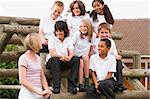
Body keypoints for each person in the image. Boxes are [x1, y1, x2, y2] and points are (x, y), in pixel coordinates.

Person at [46, 21, 80, 94]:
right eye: (57, 31)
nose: (58, 33)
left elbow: (71, 51)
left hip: (64, 61)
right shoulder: (52, 39)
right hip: (53, 61)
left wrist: (69, 57)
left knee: (76, 59)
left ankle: (72, 86)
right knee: (55, 60)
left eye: (60, 31)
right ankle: (56, 87)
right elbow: (52, 53)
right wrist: (62, 56)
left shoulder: (69, 39)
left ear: (65, 31)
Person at [18, 33, 52, 99]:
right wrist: (38, 92)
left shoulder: (38, 58)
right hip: (27, 94)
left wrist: (46, 90)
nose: (41, 42)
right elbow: (22, 80)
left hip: (38, 94)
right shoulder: (23, 58)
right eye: (39, 40)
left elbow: (42, 76)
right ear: (35, 43)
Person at [95, 22, 127, 92]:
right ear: (98, 34)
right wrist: (113, 57)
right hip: (100, 62)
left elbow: (115, 53)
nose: (104, 35)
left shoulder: (111, 42)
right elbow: (99, 54)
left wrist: (117, 56)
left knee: (118, 62)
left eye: (106, 32)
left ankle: (119, 84)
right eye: (102, 32)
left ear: (109, 34)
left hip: (110, 61)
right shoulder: (96, 42)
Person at [72, 19, 96, 92]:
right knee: (81, 62)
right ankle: (80, 83)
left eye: (85, 26)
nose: (83, 28)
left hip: (86, 56)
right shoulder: (77, 34)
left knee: (85, 58)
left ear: (89, 27)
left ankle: (86, 80)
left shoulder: (93, 35)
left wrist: (90, 56)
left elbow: (92, 48)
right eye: (81, 26)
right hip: (76, 55)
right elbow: (71, 45)